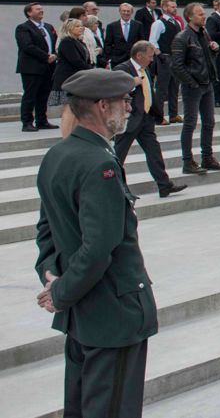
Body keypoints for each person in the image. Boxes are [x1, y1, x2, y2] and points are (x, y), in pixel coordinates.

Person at [34, 69, 158, 418]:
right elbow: (99, 248)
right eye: (124, 101)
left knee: (82, 406)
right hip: (111, 314)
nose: (129, 107)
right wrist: (58, 292)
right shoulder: (100, 163)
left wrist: (52, 276)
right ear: (103, 107)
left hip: (82, 313)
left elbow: (46, 230)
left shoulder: (58, 154)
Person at [113, 40, 186, 198]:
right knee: (118, 156)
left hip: (146, 118)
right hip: (130, 119)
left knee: (154, 151)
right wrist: (131, 83)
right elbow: (114, 89)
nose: (152, 59)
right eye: (149, 56)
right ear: (139, 56)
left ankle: (164, 185)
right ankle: (120, 189)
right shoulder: (122, 68)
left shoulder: (144, 69)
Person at [170, 2, 220, 175]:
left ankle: (207, 157)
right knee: (190, 123)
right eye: (200, 14)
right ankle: (188, 161)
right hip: (193, 85)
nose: (204, 16)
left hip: (207, 83)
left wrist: (214, 50)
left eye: (203, 13)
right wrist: (192, 83)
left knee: (209, 122)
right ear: (190, 17)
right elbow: (176, 66)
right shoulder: (182, 37)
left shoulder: (204, 34)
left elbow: (205, 58)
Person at [17, 2, 59, 132]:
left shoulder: (48, 26)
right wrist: (46, 56)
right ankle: (27, 122)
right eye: (38, 9)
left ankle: (41, 120)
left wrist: (55, 54)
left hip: (48, 67)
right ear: (29, 13)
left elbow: (56, 42)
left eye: (42, 8)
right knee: (30, 95)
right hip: (32, 68)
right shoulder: (23, 28)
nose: (41, 11)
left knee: (43, 95)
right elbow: (27, 46)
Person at [148, 0, 184, 123]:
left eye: (175, 6)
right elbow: (152, 40)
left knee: (174, 87)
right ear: (164, 8)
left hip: (176, 58)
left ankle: (173, 114)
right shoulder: (159, 23)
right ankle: (158, 116)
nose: (175, 8)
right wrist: (159, 54)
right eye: (172, 6)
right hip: (165, 57)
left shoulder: (176, 22)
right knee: (162, 88)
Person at [52, 19, 93, 100]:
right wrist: (90, 69)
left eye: (81, 26)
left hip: (77, 78)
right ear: (69, 28)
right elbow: (75, 60)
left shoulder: (79, 42)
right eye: (77, 26)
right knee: (64, 105)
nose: (81, 28)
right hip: (66, 78)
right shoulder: (67, 42)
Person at [104, 3, 145, 69]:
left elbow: (142, 42)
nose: (126, 13)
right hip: (117, 60)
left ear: (131, 12)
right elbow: (107, 44)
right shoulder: (112, 26)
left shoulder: (138, 25)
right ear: (120, 11)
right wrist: (109, 58)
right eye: (124, 11)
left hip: (134, 59)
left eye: (128, 11)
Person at [204, 0, 220, 106]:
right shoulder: (213, 18)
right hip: (218, 51)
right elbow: (212, 34)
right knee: (218, 74)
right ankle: (217, 98)